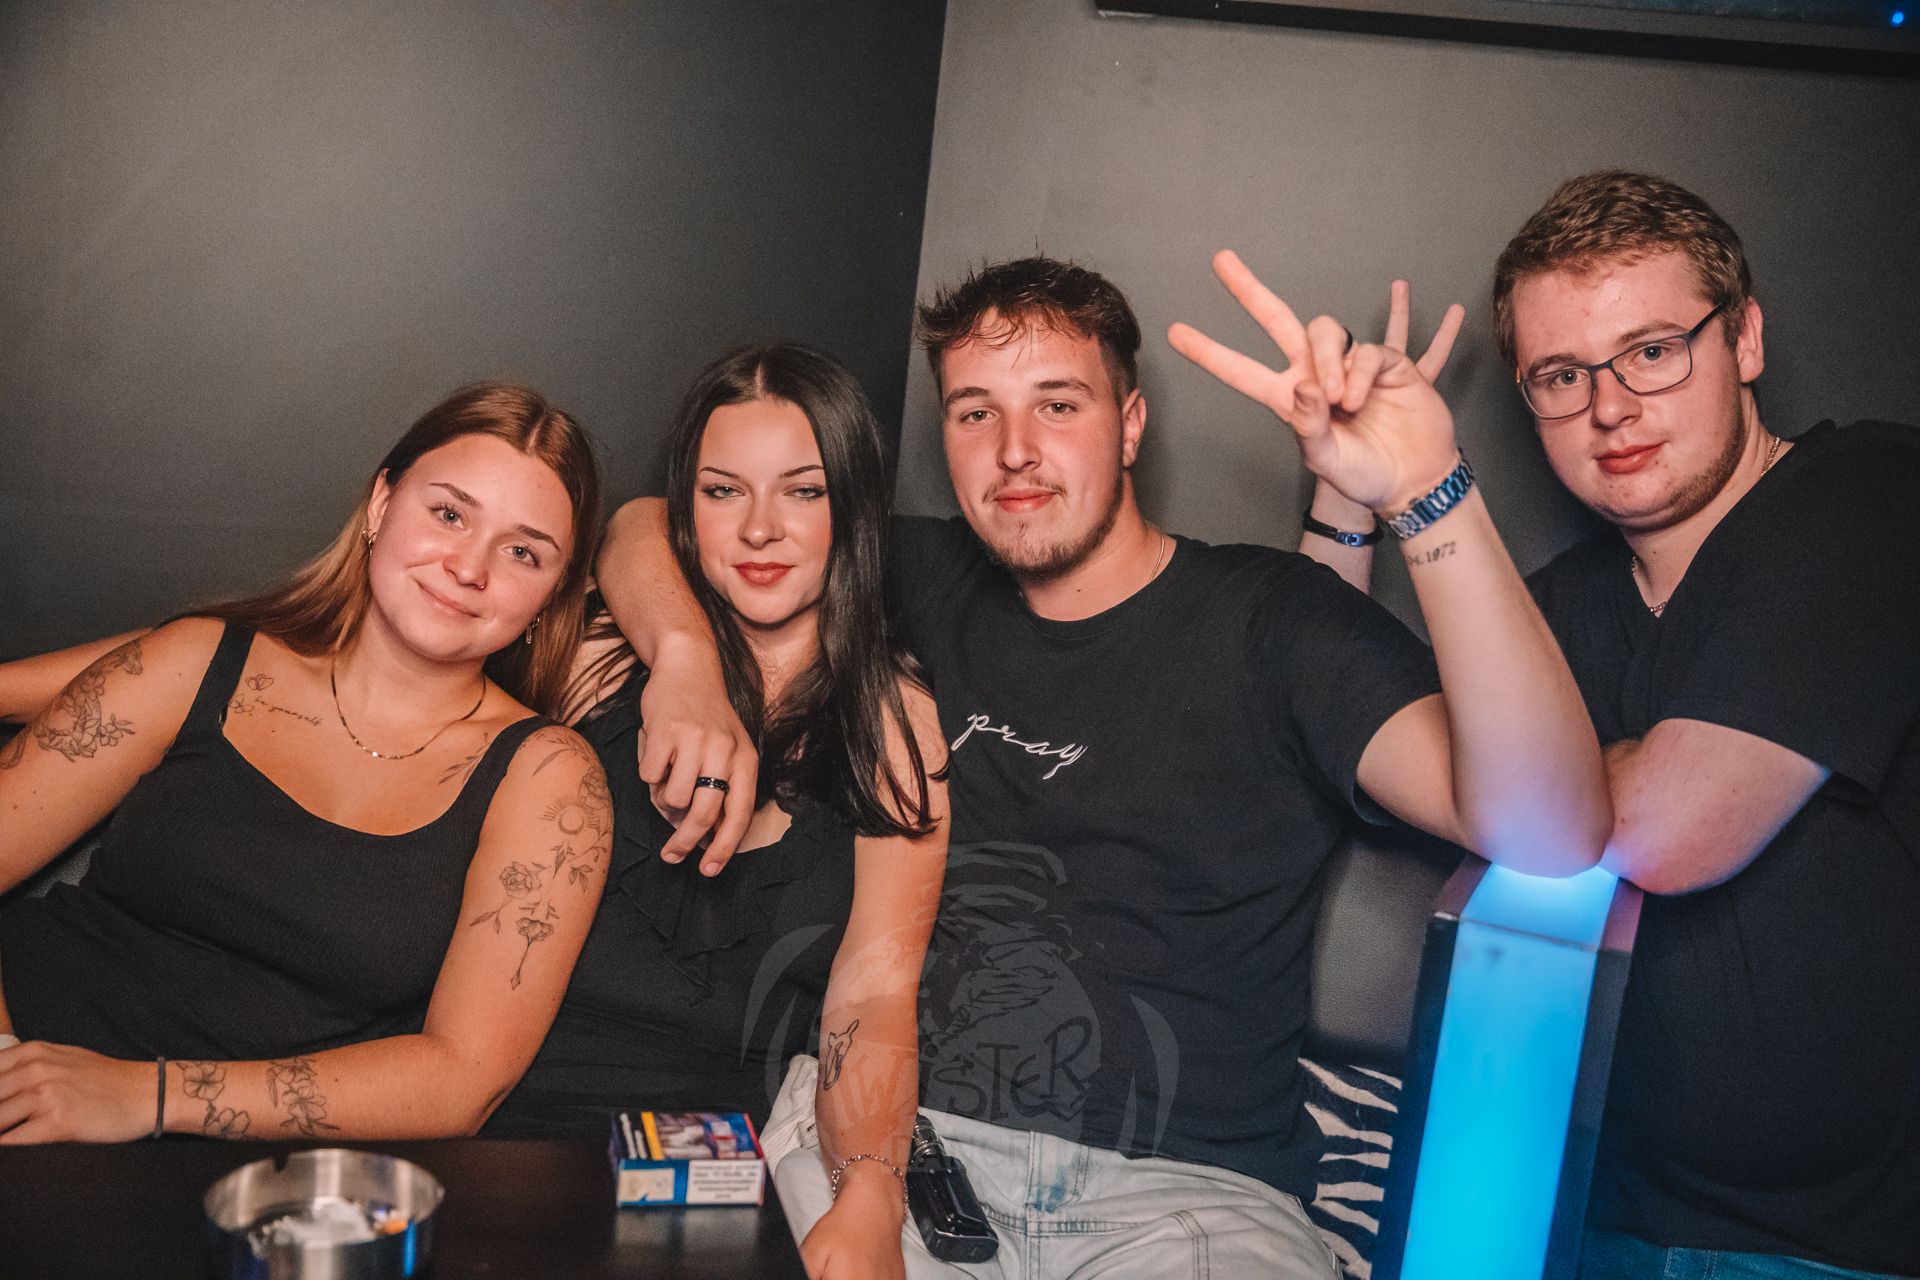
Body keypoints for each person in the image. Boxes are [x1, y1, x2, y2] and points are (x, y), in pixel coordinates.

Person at [596, 257, 1611, 1278]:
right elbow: (650, 522)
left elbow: (1555, 830)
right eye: (975, 413)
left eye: (1057, 404)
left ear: (1129, 424)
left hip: (1193, 1198)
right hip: (911, 1153)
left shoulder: (1275, 620)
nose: (1015, 450)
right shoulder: (917, 576)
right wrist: (684, 661)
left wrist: (1429, 492)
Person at [1490, 172, 1918, 1280]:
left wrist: (1550, 782)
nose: (1610, 408)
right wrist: (1351, 499)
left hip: (1840, 1252)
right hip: (1591, 1228)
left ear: (1745, 340)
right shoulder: (1549, 612)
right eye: (1562, 375)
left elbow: (1665, 831)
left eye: (1652, 352)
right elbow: (1363, 739)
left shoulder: (1873, 494)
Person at [0, 382, 611, 1144]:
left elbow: (462, 1079)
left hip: (244, 1170)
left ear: (554, 595)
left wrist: (145, 1096)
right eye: (449, 514)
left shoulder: (549, 780)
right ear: (382, 504)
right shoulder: (200, 660)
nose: (468, 566)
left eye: (522, 552)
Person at [484, 344, 951, 1280]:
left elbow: (873, 996)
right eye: (723, 491)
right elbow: (626, 525)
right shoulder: (602, 658)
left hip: (710, 1172)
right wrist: (682, 663)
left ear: (855, 507)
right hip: (497, 1128)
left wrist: (871, 1195)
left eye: (804, 491)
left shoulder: (896, 727)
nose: (761, 529)